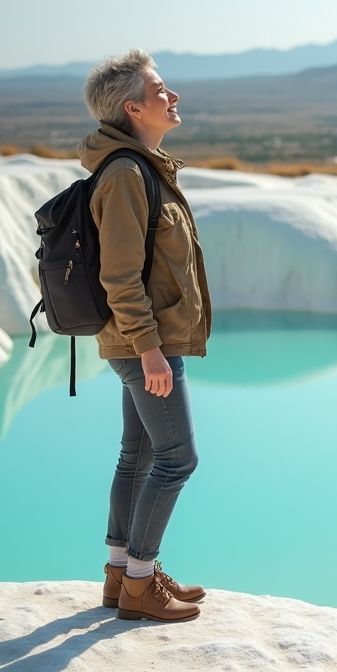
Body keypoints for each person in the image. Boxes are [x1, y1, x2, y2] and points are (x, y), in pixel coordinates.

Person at [80, 49, 212, 622]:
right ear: (133, 108)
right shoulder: (128, 174)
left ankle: (121, 575)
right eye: (161, 90)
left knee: (137, 455)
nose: (173, 96)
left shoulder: (139, 166)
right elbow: (119, 275)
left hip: (145, 341)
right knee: (178, 458)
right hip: (145, 344)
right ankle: (140, 584)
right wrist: (151, 349)